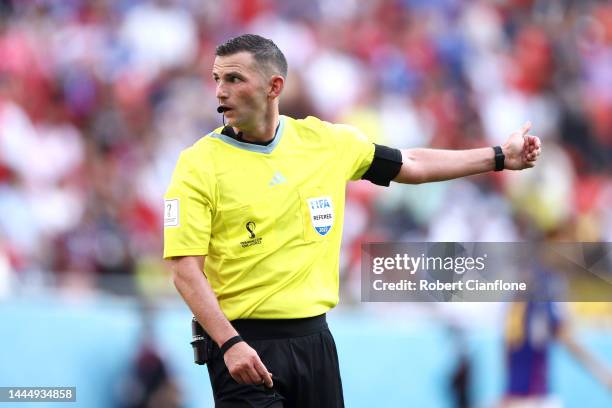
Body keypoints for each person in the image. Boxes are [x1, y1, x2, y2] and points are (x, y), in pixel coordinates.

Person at [163, 34, 542, 408]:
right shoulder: (198, 165)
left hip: (315, 340)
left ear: (273, 86)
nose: (220, 91)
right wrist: (229, 344)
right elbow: (184, 270)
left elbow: (411, 164)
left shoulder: (325, 142)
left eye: (233, 79)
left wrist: (498, 157)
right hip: (243, 343)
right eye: (217, 79)